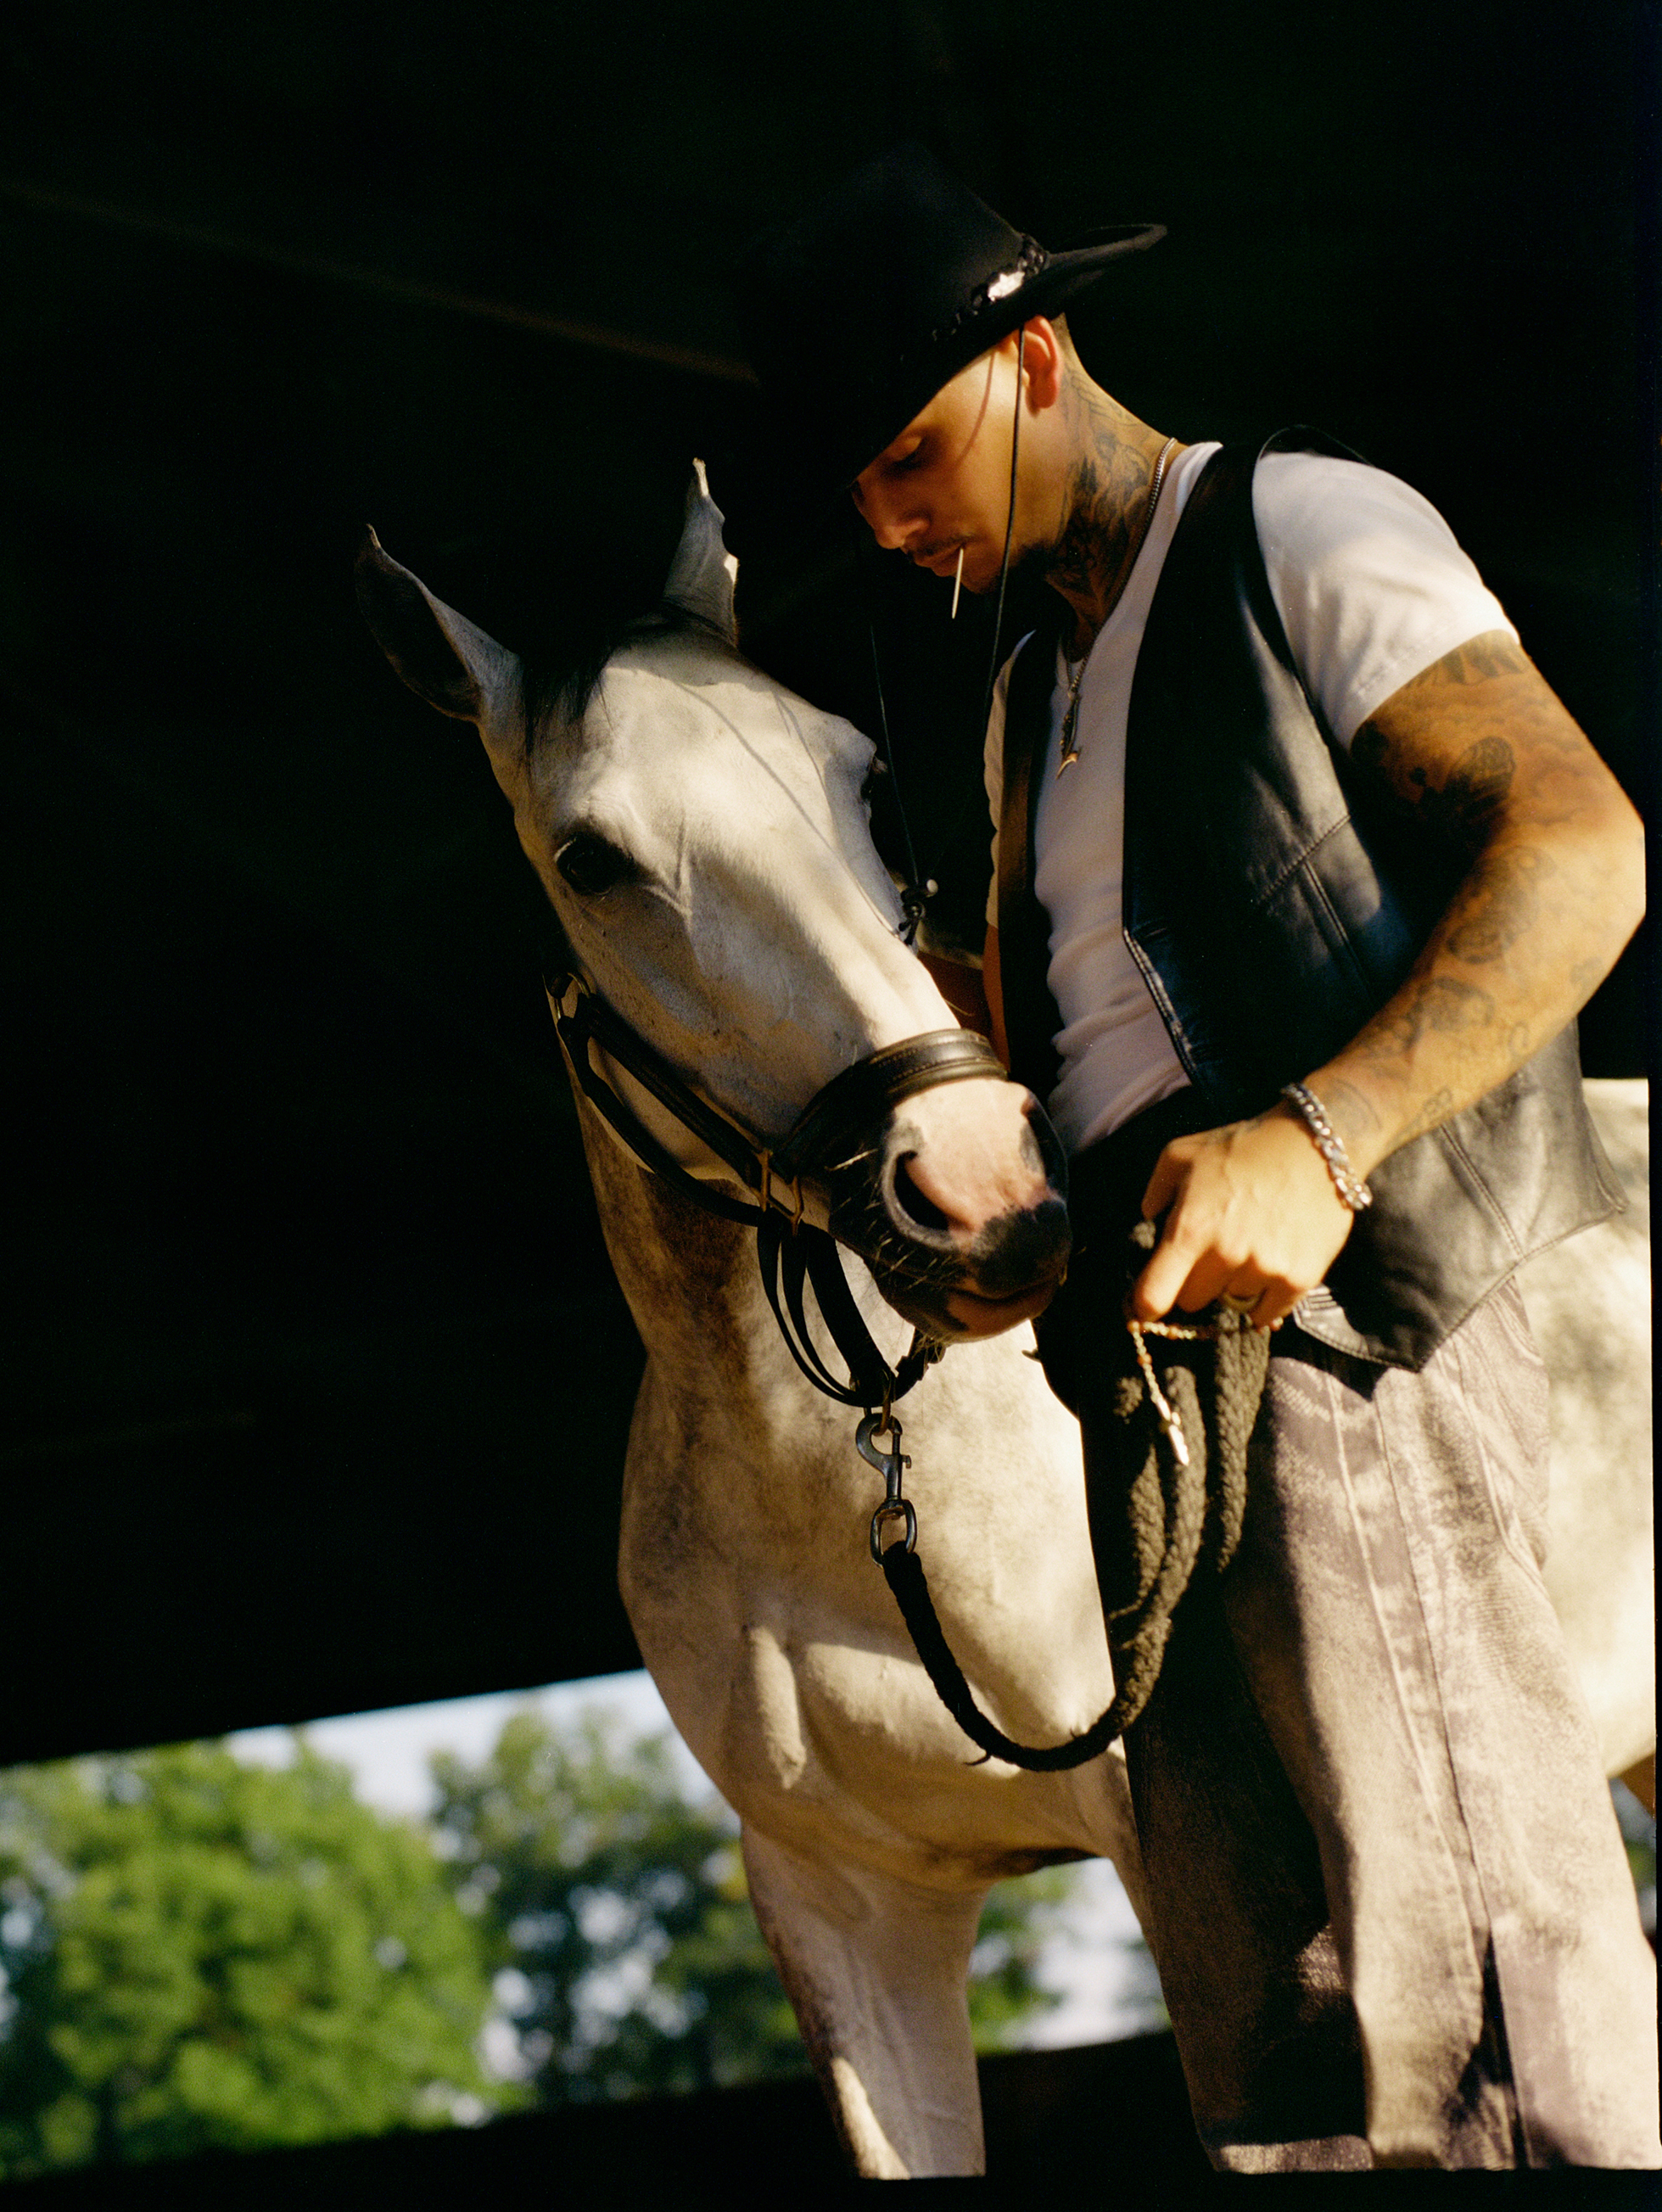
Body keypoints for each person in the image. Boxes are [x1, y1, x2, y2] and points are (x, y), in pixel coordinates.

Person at [718, 144, 1658, 2171]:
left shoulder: (1297, 522)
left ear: (1034, 357)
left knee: (1470, 1976)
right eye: (854, 489)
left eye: (907, 453)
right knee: (1282, 2024)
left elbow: (1582, 846)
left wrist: (1323, 1134)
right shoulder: (1024, 694)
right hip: (1139, 1399)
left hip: (1360, 1327)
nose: (886, 519)